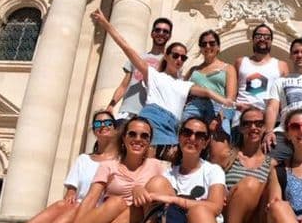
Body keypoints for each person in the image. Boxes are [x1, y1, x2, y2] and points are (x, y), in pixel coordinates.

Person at [0, 110, 119, 223]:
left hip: (95, 214)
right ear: (94, 130)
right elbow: (71, 190)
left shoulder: (119, 161)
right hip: (75, 208)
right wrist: (70, 194)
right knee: (62, 204)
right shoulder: (83, 159)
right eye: (98, 123)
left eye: (108, 123)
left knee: (73, 208)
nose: (103, 126)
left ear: (115, 129)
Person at [92, 9, 233, 158]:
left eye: (183, 58)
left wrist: (227, 101)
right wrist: (105, 24)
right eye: (175, 55)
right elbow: (126, 48)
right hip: (153, 119)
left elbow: (206, 92)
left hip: (172, 127)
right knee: (147, 163)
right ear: (166, 56)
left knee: (167, 167)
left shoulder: (184, 84)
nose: (179, 59)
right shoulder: (153, 75)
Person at [39, 116, 172, 223]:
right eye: (132, 134)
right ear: (123, 138)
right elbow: (90, 200)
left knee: (134, 208)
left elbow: (168, 200)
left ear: (149, 141)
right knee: (116, 202)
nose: (138, 139)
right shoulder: (108, 166)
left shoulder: (158, 166)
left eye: (144, 136)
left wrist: (144, 191)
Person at [222, 106, 272, 223]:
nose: (253, 127)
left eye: (258, 123)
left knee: (270, 188)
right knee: (249, 184)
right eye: (247, 124)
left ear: (264, 128)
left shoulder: (271, 164)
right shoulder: (227, 157)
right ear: (241, 128)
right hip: (229, 217)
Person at [107, 17, 173, 119]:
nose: (161, 33)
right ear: (152, 33)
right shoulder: (137, 58)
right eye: (158, 30)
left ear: (169, 36)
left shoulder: (170, 62)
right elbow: (124, 85)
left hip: (152, 114)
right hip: (127, 111)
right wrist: (111, 105)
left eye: (165, 31)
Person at [235, 23, 288, 146]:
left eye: (267, 36)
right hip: (241, 120)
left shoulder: (281, 65)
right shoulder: (241, 62)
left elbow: (285, 96)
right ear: (252, 39)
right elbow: (232, 91)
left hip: (269, 121)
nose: (263, 39)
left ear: (271, 41)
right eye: (259, 36)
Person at [184, 30, 237, 138]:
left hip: (217, 108)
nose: (208, 46)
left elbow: (230, 98)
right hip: (193, 107)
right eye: (204, 44)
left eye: (212, 43)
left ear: (218, 46)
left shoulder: (228, 68)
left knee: (219, 146)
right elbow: (182, 91)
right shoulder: (192, 70)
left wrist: (221, 117)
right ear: (201, 48)